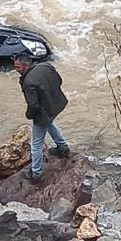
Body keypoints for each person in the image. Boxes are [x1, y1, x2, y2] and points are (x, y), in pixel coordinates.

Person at [14, 54, 70, 182]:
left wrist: (28, 115)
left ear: (26, 65)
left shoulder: (29, 82)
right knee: (50, 123)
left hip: (43, 112)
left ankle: (36, 173)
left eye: (18, 67)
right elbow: (59, 81)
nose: (16, 70)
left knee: (36, 144)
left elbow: (33, 105)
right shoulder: (46, 66)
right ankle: (63, 148)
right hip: (56, 104)